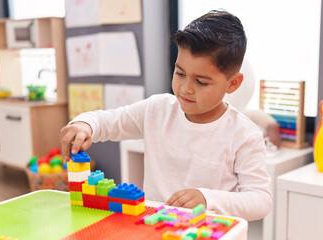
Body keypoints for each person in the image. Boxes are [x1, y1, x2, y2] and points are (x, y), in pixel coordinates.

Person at [60, 10, 272, 221]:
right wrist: (85, 124)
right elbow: (111, 121)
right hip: (154, 227)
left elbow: (260, 200)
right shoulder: (157, 109)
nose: (185, 88)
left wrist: (208, 199)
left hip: (206, 232)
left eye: (201, 82)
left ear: (233, 83)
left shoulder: (244, 134)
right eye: (180, 73)